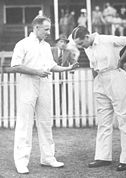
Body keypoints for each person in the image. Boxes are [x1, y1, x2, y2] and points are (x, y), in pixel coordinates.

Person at [11, 15, 79, 174]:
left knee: (45, 121)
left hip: (44, 84)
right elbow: (15, 66)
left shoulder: (46, 46)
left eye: (49, 28)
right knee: (25, 122)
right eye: (46, 29)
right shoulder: (23, 44)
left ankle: (48, 158)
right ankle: (21, 161)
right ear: (36, 28)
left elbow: (52, 66)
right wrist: (36, 72)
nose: (49, 32)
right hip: (28, 83)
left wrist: (68, 69)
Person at [71, 26, 126, 171]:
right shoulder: (88, 48)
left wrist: (122, 60)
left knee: (124, 119)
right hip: (100, 80)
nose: (80, 47)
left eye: (81, 43)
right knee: (103, 121)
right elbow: (93, 65)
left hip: (116, 76)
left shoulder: (107, 39)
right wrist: (96, 81)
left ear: (87, 37)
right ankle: (102, 157)